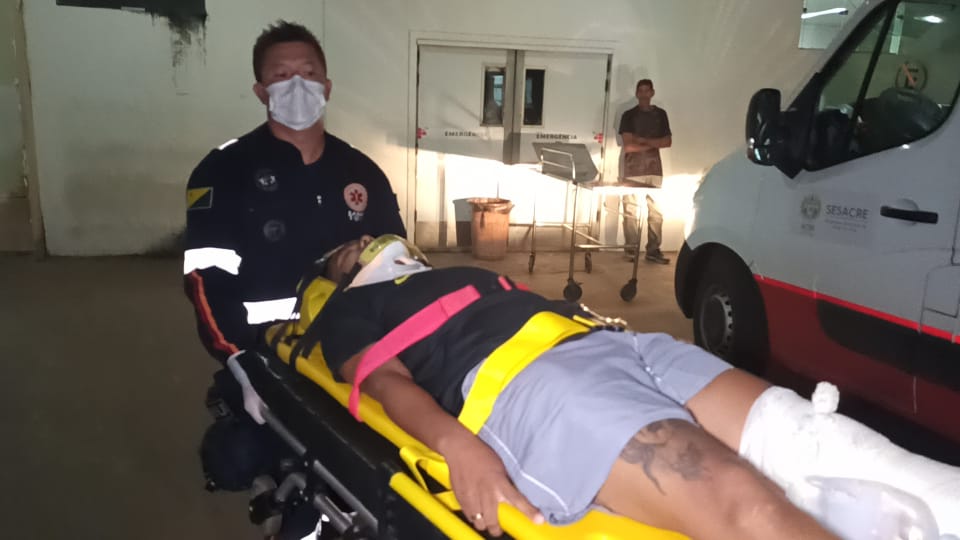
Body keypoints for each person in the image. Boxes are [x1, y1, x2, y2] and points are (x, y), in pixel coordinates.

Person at [308, 234, 959, 540]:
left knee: (819, 442)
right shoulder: (346, 311)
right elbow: (384, 382)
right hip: (533, 383)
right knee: (746, 509)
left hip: (620, 344)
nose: (361, 241)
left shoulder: (448, 271)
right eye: (345, 251)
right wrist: (460, 447)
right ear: (337, 278)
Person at [182, 21, 405, 539]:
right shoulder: (223, 171)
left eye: (308, 73)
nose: (297, 85)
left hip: (351, 349)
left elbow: (396, 264)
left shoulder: (361, 172)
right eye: (282, 76)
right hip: (266, 353)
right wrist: (240, 362)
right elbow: (204, 283)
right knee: (251, 458)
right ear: (261, 91)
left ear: (327, 86)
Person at [619, 79, 672, 264]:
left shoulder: (661, 114)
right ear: (636, 93)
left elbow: (668, 142)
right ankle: (631, 250)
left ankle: (653, 250)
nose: (643, 94)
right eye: (640, 91)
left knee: (656, 212)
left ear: (652, 92)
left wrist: (642, 140)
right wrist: (654, 143)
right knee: (631, 211)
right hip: (633, 168)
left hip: (654, 169)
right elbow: (628, 146)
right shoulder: (628, 115)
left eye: (646, 90)